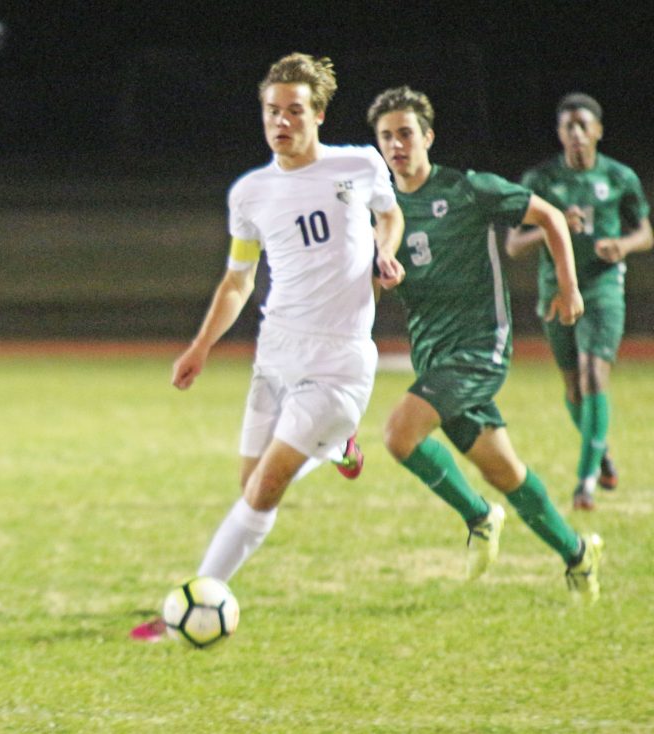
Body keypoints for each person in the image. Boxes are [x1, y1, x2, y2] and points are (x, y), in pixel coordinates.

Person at [131, 53, 405, 642]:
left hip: (339, 360)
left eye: (294, 111)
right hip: (276, 352)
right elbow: (237, 280)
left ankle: (190, 604)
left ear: (319, 114)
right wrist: (200, 347)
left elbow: (390, 216)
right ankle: (336, 448)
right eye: (272, 111)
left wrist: (385, 251)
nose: (281, 121)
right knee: (251, 484)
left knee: (264, 489)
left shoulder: (359, 164)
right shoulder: (250, 193)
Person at [367, 85, 602, 603]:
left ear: (428, 137)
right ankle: (578, 554)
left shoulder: (468, 188)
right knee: (505, 472)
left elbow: (550, 216)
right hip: (434, 357)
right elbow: (371, 285)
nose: (396, 145)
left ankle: (478, 518)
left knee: (398, 435)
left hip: (480, 349)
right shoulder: (382, 214)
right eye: (386, 137)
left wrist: (569, 288)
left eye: (405, 133)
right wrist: (381, 277)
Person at [506, 93, 653, 510]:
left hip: (603, 287)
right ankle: (600, 452)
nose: (576, 133)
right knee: (573, 388)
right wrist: (553, 227)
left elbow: (645, 233)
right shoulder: (540, 180)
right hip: (556, 290)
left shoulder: (619, 177)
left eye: (583, 125)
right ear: (559, 133)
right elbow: (514, 244)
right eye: (568, 126)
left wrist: (623, 246)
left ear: (598, 130)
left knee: (592, 376)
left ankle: (584, 483)